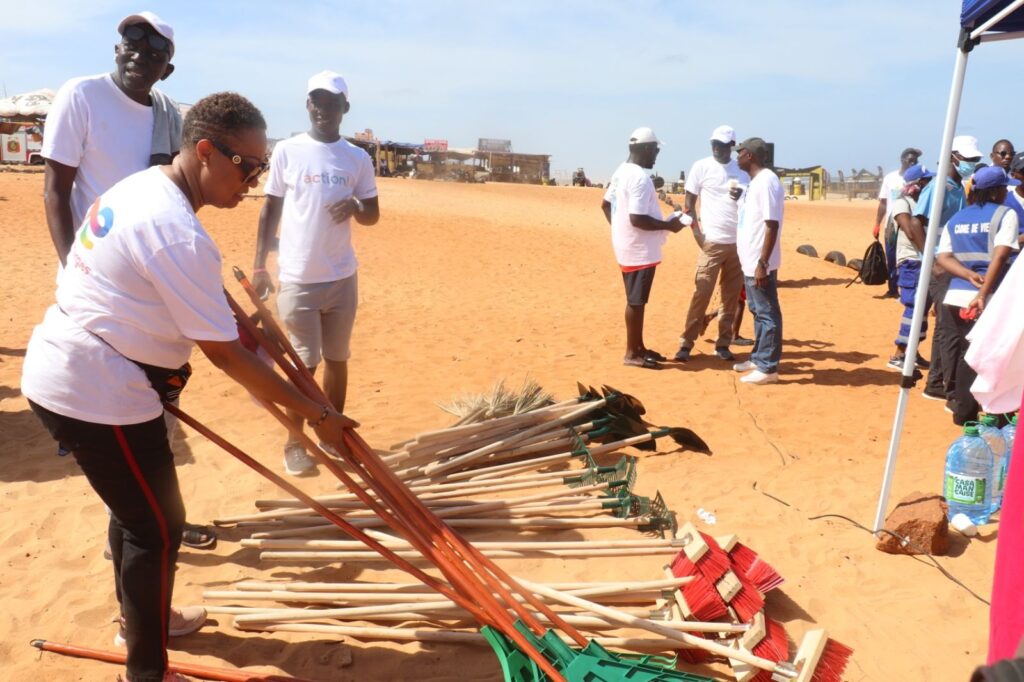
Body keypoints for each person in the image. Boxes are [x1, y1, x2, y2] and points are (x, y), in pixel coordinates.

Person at [41, 11, 215, 552]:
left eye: (154, 46)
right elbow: (55, 189)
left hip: (148, 275)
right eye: (130, 39)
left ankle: (157, 520)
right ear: (117, 47)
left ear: (168, 67)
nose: (138, 50)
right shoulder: (82, 96)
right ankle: (149, 524)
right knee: (119, 418)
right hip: (96, 276)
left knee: (152, 411)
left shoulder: (165, 115)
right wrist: (74, 266)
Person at [252, 71, 380, 476]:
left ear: (345, 108)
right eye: (316, 101)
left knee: (337, 359)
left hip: (342, 278)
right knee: (302, 366)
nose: (323, 109)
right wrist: (259, 265)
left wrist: (356, 210)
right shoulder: (288, 151)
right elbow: (269, 208)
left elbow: (373, 213)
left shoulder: (357, 158)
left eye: (331, 102)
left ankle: (332, 434)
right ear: (308, 105)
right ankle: (295, 443)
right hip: (297, 278)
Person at [935, 165, 1019, 425]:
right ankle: (996, 415)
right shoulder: (1005, 214)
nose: (1007, 191)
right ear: (996, 191)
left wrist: (966, 274)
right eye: (1004, 187)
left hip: (956, 295)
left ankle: (963, 413)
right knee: (993, 354)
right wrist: (982, 292)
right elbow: (1001, 254)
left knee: (965, 354)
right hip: (988, 298)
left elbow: (943, 257)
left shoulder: (958, 218)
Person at [601, 127, 686, 370]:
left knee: (637, 301)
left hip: (629, 245)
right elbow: (637, 218)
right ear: (646, 149)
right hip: (638, 249)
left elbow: (605, 205)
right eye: (656, 150)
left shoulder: (621, 171)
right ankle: (631, 353)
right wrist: (669, 225)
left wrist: (619, 232)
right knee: (636, 301)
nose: (656, 155)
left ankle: (639, 347)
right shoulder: (638, 177)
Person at [912, 134, 981, 405]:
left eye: (975, 160)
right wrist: (931, 259)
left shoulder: (957, 186)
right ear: (953, 157)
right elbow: (917, 223)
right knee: (949, 326)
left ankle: (937, 380)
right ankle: (941, 384)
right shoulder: (939, 187)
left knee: (946, 324)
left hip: (950, 262)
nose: (972, 164)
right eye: (968, 160)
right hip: (940, 265)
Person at [673, 125, 749, 363]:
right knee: (701, 293)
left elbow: (752, 204)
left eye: (722, 144)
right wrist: (698, 236)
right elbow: (689, 204)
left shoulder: (742, 171)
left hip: (737, 244)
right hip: (711, 242)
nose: (717, 148)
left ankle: (723, 343)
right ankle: (686, 343)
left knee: (731, 297)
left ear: (731, 146)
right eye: (714, 143)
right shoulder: (701, 167)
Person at [731, 137, 784, 385]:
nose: (736, 157)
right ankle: (759, 357)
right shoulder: (754, 183)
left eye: (739, 153)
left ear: (749, 155)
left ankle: (768, 367)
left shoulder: (767, 181)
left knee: (767, 313)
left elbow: (771, 224)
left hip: (759, 262)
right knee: (757, 310)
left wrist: (763, 262)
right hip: (750, 259)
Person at [887, 164, 935, 369]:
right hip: (911, 261)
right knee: (914, 306)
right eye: (925, 181)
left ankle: (911, 352)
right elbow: (909, 229)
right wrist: (929, 251)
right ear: (917, 184)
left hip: (924, 260)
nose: (930, 184)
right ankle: (899, 354)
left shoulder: (924, 204)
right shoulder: (902, 203)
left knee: (922, 308)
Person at [875, 147, 922, 297]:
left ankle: (909, 288)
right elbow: (883, 202)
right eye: (910, 160)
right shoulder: (891, 178)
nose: (913, 163)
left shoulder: (918, 179)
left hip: (910, 222)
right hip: (891, 224)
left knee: (909, 256)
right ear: (902, 160)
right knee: (891, 256)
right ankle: (893, 289)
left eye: (915, 161)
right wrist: (877, 223)